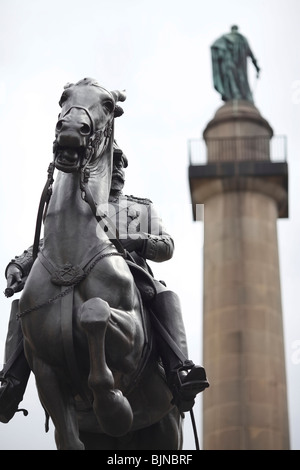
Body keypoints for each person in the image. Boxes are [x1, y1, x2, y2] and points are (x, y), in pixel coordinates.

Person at [0, 143, 208, 423]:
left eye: (123, 163)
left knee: (166, 294)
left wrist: (137, 240)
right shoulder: (74, 207)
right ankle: (10, 383)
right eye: (114, 161)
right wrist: (20, 264)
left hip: (132, 278)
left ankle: (179, 370)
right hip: (72, 276)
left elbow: (167, 245)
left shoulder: (140, 207)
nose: (119, 168)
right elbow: (50, 240)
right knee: (27, 306)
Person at [211, 25, 260, 102]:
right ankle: (235, 94)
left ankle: (239, 96)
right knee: (231, 77)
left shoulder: (242, 39)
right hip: (230, 62)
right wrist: (256, 66)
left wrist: (256, 66)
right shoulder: (229, 38)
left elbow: (250, 53)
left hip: (240, 65)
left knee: (240, 80)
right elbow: (215, 46)